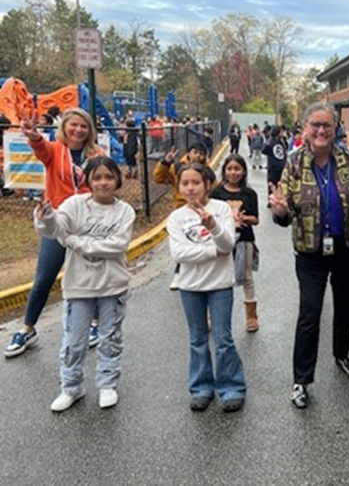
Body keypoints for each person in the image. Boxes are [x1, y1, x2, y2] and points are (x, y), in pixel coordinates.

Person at [268, 102, 349, 409]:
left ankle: (341, 354)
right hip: (309, 251)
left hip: (345, 249)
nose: (322, 130)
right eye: (316, 125)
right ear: (305, 128)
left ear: (336, 128)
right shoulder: (295, 162)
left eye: (327, 125)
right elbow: (284, 212)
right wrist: (280, 210)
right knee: (309, 314)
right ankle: (301, 379)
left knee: (345, 305)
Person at [34, 157, 135, 412]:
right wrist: (46, 216)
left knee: (110, 338)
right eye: (97, 177)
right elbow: (55, 229)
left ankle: (107, 384)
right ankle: (71, 387)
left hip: (112, 285)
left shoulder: (125, 211)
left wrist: (76, 242)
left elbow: (117, 246)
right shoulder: (75, 204)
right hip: (79, 285)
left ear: (117, 180)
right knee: (74, 340)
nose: (103, 182)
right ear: (88, 180)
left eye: (109, 176)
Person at [5, 108, 104, 358]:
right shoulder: (55, 150)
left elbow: (105, 182)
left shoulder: (97, 154)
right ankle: (28, 328)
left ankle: (95, 323)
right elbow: (41, 148)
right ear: (65, 127)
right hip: (58, 222)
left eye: (83, 126)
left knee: (90, 275)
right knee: (44, 278)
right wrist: (33, 135)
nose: (78, 130)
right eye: (74, 125)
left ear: (89, 129)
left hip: (87, 225)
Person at [167, 163, 247, 412]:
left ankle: (231, 387)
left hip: (220, 285)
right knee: (197, 339)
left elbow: (228, 244)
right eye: (185, 183)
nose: (190, 188)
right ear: (179, 187)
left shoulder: (221, 209)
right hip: (190, 286)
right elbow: (179, 253)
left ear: (207, 185)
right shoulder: (177, 217)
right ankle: (201, 387)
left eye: (196, 183)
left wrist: (212, 225)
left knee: (223, 338)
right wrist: (213, 250)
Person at [210, 154, 260, 332]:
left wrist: (244, 218)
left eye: (237, 169)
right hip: (221, 240)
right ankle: (213, 314)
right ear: (224, 171)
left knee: (246, 276)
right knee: (218, 275)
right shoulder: (216, 193)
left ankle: (251, 315)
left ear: (244, 171)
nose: (233, 172)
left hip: (244, 239)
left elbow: (256, 220)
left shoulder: (249, 194)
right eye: (230, 169)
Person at [153, 142, 209, 290]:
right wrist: (166, 162)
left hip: (202, 211)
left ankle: (200, 271)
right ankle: (179, 272)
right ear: (189, 153)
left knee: (199, 241)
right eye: (195, 152)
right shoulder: (178, 168)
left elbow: (213, 189)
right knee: (183, 242)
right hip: (182, 210)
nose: (197, 156)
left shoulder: (206, 171)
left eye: (201, 153)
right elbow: (159, 178)